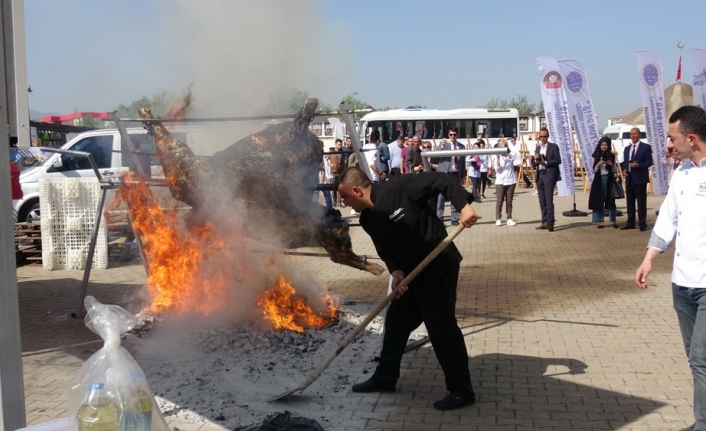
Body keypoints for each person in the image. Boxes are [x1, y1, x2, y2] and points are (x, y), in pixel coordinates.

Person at [337, 167, 478, 411]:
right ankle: (386, 377)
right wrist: (396, 271)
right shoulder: (368, 219)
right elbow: (384, 249)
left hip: (437, 267)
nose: (344, 202)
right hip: (412, 276)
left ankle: (461, 390)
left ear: (357, 191)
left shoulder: (399, 188)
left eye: (345, 197)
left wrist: (463, 206)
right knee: (396, 323)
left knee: (441, 328)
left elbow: (440, 179)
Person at [634, 105, 706, 430]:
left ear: (691, 137)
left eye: (672, 137)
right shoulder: (683, 172)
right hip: (682, 285)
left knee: (703, 360)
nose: (669, 145)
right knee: (696, 360)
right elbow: (668, 217)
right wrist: (649, 257)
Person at [621, 127, 653, 231]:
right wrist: (624, 169)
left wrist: (638, 165)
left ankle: (642, 223)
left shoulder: (645, 147)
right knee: (630, 202)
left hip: (640, 178)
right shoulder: (627, 149)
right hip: (629, 179)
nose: (633, 136)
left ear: (639, 135)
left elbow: (649, 162)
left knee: (641, 202)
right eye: (631, 134)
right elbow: (625, 162)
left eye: (635, 134)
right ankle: (630, 222)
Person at [531, 128, 561, 231]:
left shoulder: (553, 147)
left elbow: (558, 160)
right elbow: (534, 164)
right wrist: (535, 159)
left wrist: (546, 162)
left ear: (548, 137)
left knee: (549, 200)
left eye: (545, 136)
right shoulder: (538, 148)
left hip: (549, 175)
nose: (543, 138)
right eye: (541, 137)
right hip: (540, 175)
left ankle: (550, 222)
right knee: (542, 200)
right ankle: (544, 221)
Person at [436, 127, 467, 226]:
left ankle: (454, 219)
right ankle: (439, 218)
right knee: (441, 197)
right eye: (450, 135)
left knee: (455, 196)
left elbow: (462, 162)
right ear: (448, 135)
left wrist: (462, 176)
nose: (452, 136)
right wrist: (441, 146)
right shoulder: (444, 144)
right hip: (444, 174)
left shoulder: (461, 147)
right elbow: (437, 156)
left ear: (457, 135)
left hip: (455, 174)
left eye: (454, 134)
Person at [587, 137, 618, 228]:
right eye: (602, 145)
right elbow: (593, 171)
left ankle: (613, 220)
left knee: (611, 200)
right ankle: (600, 221)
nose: (604, 147)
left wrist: (611, 165)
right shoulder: (595, 155)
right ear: (600, 145)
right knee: (599, 200)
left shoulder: (612, 155)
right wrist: (598, 164)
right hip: (598, 180)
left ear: (608, 146)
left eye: (605, 145)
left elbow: (615, 169)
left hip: (609, 179)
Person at [493, 139, 517, 226]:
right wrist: (498, 157)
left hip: (510, 180)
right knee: (499, 201)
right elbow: (497, 167)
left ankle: (509, 218)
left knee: (509, 201)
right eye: (499, 145)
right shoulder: (496, 155)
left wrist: (506, 152)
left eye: (502, 145)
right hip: (500, 181)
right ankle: (498, 218)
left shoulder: (510, 153)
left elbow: (513, 157)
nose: (500, 146)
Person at [329, 139, 347, 206]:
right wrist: (330, 164)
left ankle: (339, 201)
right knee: (333, 186)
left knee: (339, 187)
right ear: (335, 144)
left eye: (341, 144)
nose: (340, 146)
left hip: (341, 171)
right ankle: (334, 200)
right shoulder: (331, 152)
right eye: (339, 144)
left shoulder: (342, 152)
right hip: (334, 171)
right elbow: (327, 158)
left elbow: (344, 160)